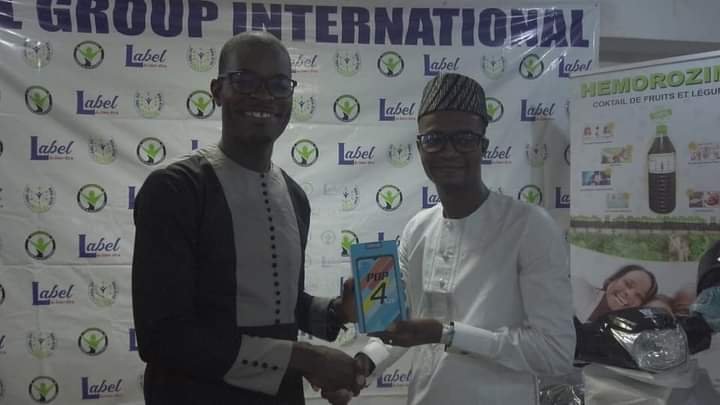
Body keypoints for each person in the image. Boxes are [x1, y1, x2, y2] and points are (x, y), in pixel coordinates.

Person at [131, 31, 364, 405]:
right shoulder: (176, 188)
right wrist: (307, 359)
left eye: (279, 85)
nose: (264, 96)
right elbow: (163, 336)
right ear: (217, 90)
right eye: (245, 81)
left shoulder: (294, 196)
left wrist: (337, 311)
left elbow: (273, 305)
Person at [324, 73, 576, 405]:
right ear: (420, 147)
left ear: (484, 146)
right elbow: (401, 327)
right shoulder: (417, 229)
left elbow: (555, 352)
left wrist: (447, 334)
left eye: (465, 139)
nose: (449, 151)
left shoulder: (529, 227)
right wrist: (362, 364)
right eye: (435, 139)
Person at [573, 264, 658, 323]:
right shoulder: (576, 287)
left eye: (639, 296)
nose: (629, 294)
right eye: (628, 283)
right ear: (613, 279)